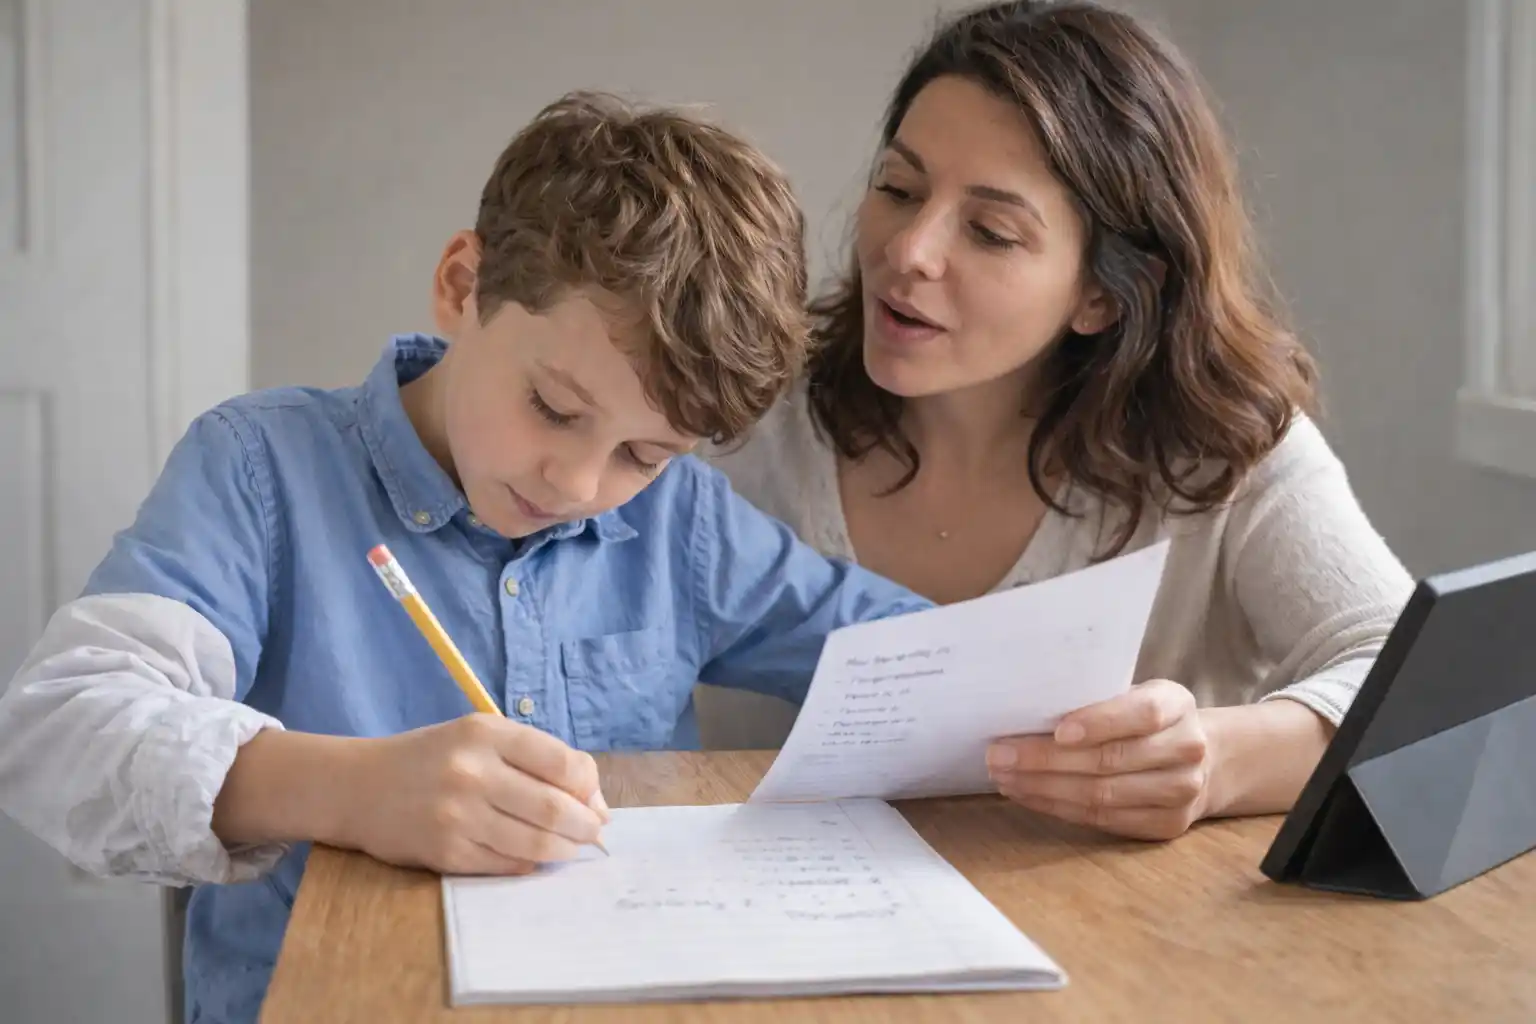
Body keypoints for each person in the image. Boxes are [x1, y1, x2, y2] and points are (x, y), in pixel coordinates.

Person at [0, 92, 932, 1024]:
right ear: (462, 285)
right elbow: (59, 731)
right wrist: (352, 792)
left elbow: (914, 653)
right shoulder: (262, 470)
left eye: (643, 454)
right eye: (554, 409)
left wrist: (1027, 714)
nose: (577, 481)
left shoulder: (680, 519)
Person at [707, 0, 1414, 841]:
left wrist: (1215, 763)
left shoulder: (1227, 452)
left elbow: (1413, 688)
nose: (909, 251)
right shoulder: (741, 419)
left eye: (990, 231)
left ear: (1105, 294)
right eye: (898, 188)